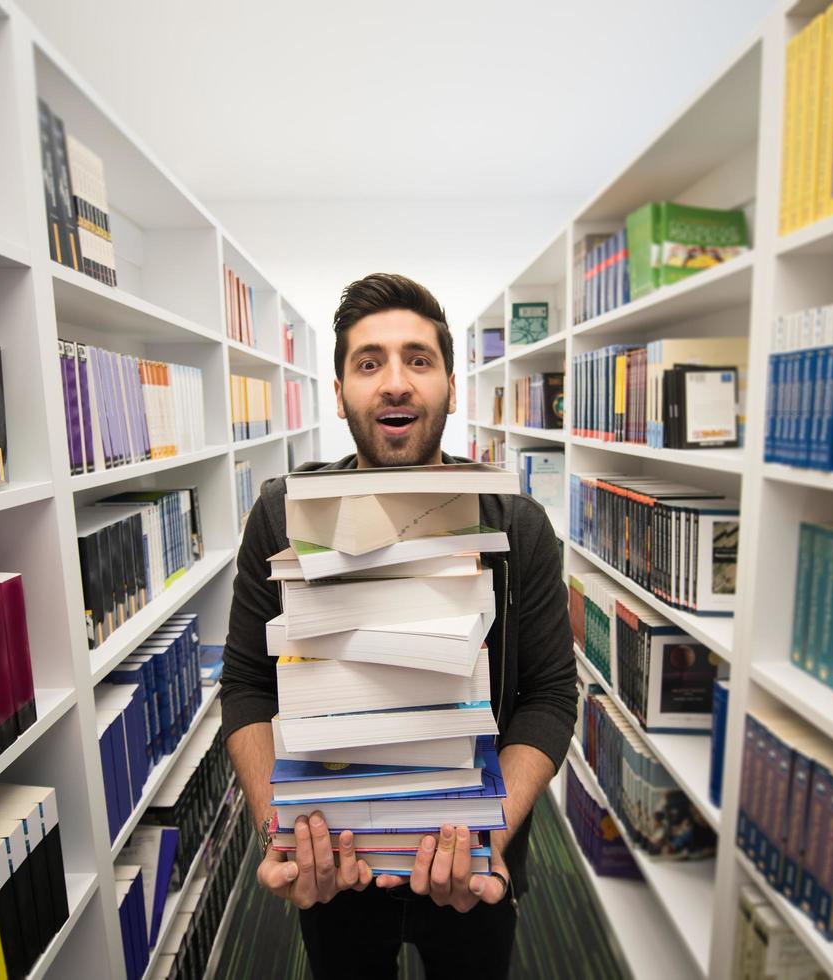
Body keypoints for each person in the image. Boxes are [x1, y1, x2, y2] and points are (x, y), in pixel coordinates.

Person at [220, 272, 577, 978]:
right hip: (333, 864)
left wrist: (488, 834)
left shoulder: (519, 525)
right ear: (339, 391)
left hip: (472, 861)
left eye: (418, 359)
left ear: (450, 385)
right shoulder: (278, 516)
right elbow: (246, 687)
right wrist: (282, 833)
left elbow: (548, 697)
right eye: (368, 361)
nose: (394, 382)